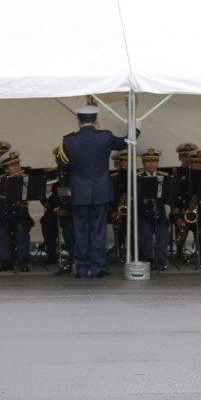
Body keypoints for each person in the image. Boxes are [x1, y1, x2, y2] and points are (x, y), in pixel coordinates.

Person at [56, 105, 130, 278]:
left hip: (79, 191)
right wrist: (136, 130)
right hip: (101, 190)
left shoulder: (68, 140)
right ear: (96, 120)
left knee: (80, 230)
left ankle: (81, 268)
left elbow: (62, 165)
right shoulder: (105, 136)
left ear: (78, 120)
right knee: (98, 230)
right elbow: (125, 143)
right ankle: (97, 267)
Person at [0, 150, 34, 272]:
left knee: (22, 230)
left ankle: (24, 260)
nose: (17, 167)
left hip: (20, 216)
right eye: (13, 165)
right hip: (3, 217)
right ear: (6, 170)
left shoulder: (26, 180)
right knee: (1, 230)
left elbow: (33, 195)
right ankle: (5, 261)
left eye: (17, 164)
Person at [136, 148, 171, 270]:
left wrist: (161, 197)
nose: (151, 164)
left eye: (154, 161)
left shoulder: (164, 177)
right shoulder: (137, 177)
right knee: (145, 229)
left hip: (159, 213)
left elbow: (170, 198)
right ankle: (148, 259)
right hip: (143, 214)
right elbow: (132, 198)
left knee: (163, 229)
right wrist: (143, 200)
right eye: (147, 161)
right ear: (143, 163)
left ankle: (160, 259)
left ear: (158, 162)